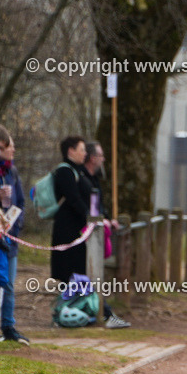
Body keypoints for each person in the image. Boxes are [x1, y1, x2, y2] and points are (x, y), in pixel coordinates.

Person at [82, 142, 130, 329]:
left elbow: (99, 206)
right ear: (92, 158)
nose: (103, 159)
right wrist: (99, 221)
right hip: (85, 236)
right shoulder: (83, 180)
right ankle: (103, 313)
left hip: (96, 232)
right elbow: (88, 208)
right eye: (101, 156)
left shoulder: (94, 179)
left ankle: (103, 312)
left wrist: (109, 219)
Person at [0, 124, 28, 344]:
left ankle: (8, 325)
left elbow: (21, 202)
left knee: (8, 283)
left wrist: (16, 226)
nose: (12, 150)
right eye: (7, 146)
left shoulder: (12, 172)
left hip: (10, 237)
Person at [51, 137, 93, 288]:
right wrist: (90, 217)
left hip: (78, 230)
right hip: (67, 231)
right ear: (71, 151)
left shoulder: (79, 171)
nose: (85, 153)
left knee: (80, 270)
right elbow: (74, 199)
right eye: (82, 150)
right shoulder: (64, 171)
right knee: (69, 273)